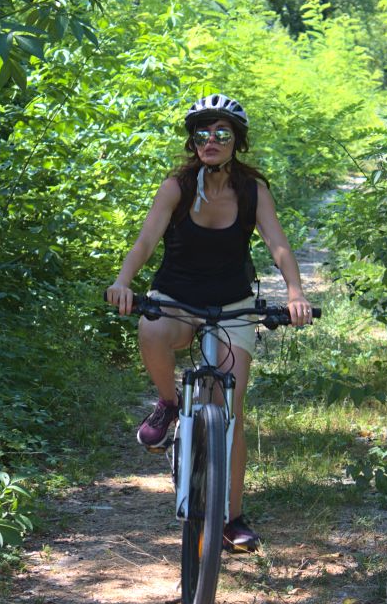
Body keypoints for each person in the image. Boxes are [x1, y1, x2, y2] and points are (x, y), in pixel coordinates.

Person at [106, 94, 312, 552]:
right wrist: (123, 282)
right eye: (202, 133)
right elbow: (144, 242)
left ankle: (232, 517)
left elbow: (277, 244)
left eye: (222, 133)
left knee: (231, 412)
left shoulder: (252, 189)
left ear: (237, 141)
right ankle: (168, 404)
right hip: (176, 300)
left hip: (232, 305)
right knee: (152, 330)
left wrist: (295, 293)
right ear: (192, 141)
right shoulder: (177, 185)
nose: (211, 140)